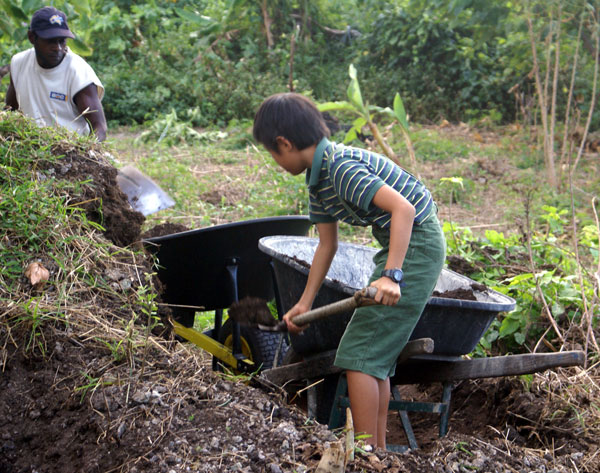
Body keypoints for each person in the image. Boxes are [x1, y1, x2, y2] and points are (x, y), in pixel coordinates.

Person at [252, 92, 446, 449]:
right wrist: (305, 304)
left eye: (272, 153)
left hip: (416, 243)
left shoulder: (341, 168)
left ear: (284, 143)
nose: (276, 161)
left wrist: (393, 275)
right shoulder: (317, 180)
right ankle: (380, 453)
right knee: (374, 356)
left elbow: (404, 210)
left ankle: (366, 451)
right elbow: (327, 245)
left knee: (359, 352)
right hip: (397, 244)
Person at [5, 6, 107, 141]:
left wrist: (87, 152)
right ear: (32, 37)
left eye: (62, 41)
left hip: (69, 153)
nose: (58, 48)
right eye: (50, 41)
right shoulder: (19, 63)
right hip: (30, 148)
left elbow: (99, 127)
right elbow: (10, 111)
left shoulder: (78, 72)